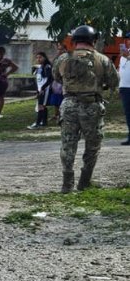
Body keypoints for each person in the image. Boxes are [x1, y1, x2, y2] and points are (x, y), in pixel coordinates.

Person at [52, 25, 119, 192]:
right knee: (92, 145)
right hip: (92, 106)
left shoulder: (63, 59)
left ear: (74, 41)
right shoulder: (102, 59)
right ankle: (85, 181)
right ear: (93, 41)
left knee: (68, 144)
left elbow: (56, 77)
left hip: (69, 104)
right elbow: (114, 82)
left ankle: (67, 183)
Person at [28, 51, 54, 129]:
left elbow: (50, 79)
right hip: (40, 89)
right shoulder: (39, 68)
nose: (38, 59)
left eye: (40, 57)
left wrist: (43, 88)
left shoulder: (47, 67)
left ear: (44, 58)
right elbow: (38, 80)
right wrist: (38, 90)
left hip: (45, 89)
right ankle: (44, 122)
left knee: (41, 106)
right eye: (37, 58)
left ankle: (38, 123)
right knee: (42, 105)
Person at [119, 41, 130, 146]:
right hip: (124, 87)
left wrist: (128, 57)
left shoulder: (126, 55)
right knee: (128, 114)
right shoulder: (124, 54)